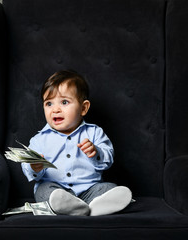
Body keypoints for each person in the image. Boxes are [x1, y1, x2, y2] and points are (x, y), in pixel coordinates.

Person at [21, 70, 132, 216]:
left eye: (64, 102)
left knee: (109, 187)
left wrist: (96, 152)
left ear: (84, 108)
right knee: (43, 190)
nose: (55, 109)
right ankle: (70, 205)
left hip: (89, 189)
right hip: (56, 190)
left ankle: (91, 206)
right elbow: (26, 167)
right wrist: (34, 167)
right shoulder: (39, 139)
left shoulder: (94, 132)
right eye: (49, 103)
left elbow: (108, 159)